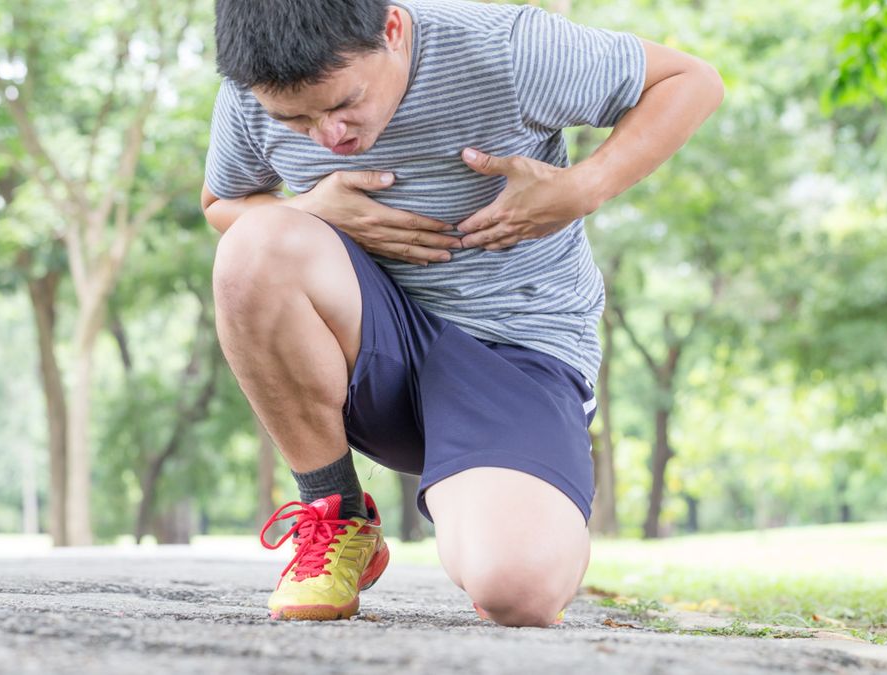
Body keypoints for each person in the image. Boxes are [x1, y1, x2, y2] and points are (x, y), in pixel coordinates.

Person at [200, 0, 722, 627]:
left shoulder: (507, 49)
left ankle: (501, 504)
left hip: (514, 353)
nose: (328, 136)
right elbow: (222, 204)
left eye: (342, 104)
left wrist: (584, 186)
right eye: (296, 119)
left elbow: (691, 80)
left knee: (517, 592)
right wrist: (314, 206)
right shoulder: (248, 92)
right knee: (252, 247)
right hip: (371, 346)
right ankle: (335, 514)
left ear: (391, 30)